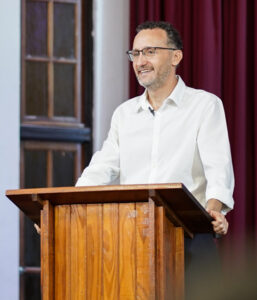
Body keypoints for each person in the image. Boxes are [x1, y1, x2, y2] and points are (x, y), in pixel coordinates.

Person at [76, 21, 234, 296]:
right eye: (135, 54)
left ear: (176, 56)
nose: (140, 61)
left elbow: (218, 168)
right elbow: (102, 168)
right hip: (131, 237)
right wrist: (64, 208)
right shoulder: (124, 114)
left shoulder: (205, 105)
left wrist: (214, 210)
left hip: (189, 237)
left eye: (149, 51)